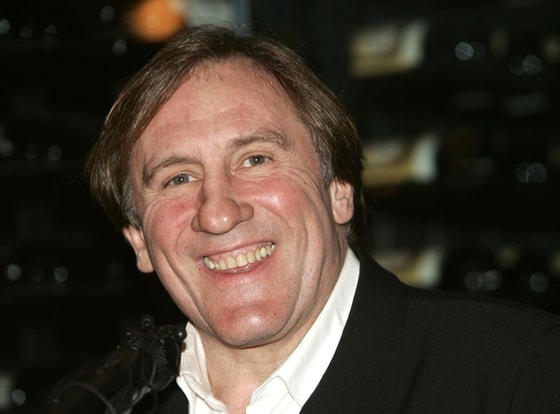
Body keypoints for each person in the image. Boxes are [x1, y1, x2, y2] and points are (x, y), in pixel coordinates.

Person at [86, 24, 560, 414]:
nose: (218, 213)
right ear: (138, 240)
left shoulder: (519, 374)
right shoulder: (106, 405)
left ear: (339, 190)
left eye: (256, 159)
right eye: (178, 178)